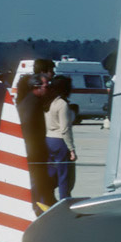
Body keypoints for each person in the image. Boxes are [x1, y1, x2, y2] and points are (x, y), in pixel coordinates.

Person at [15, 60, 55, 208]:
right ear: (36, 88)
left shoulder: (31, 102)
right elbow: (26, 128)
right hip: (33, 151)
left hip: (34, 150)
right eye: (46, 86)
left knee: (41, 181)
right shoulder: (32, 105)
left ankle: (44, 204)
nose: (48, 88)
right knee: (36, 181)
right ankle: (36, 207)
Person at [43, 74, 77, 203]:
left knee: (51, 174)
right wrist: (72, 149)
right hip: (60, 141)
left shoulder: (48, 102)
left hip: (49, 139)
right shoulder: (62, 104)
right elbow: (65, 129)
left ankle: (46, 199)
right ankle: (65, 200)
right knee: (64, 176)